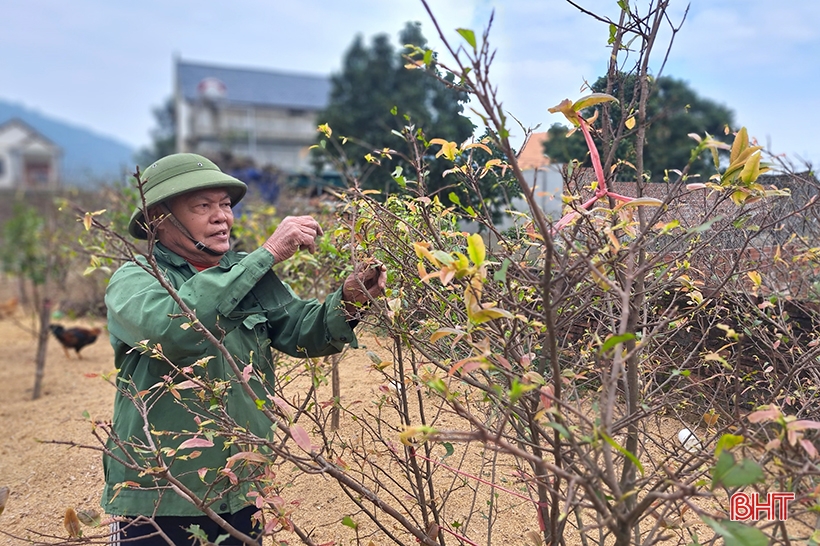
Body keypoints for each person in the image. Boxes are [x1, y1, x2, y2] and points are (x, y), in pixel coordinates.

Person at [102, 153, 385, 545]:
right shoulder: (135, 279)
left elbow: (302, 330)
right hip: (161, 494)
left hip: (241, 486)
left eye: (225, 205)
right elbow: (175, 329)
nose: (222, 217)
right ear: (158, 220)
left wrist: (350, 300)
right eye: (203, 206)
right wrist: (266, 254)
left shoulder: (245, 274)